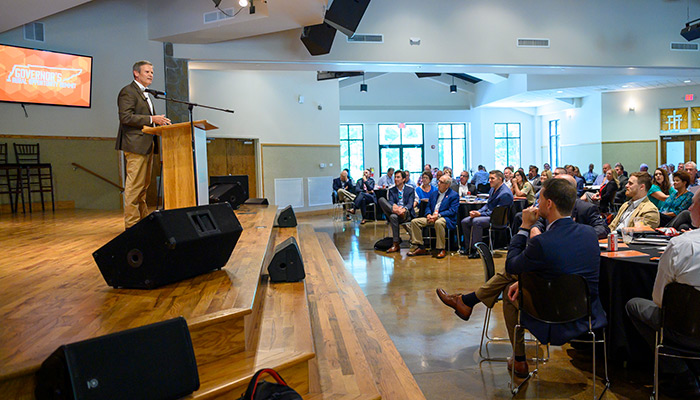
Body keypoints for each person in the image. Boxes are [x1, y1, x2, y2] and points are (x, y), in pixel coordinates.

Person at [437, 178, 606, 378]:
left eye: (539, 199)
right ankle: (467, 302)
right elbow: (563, 268)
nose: (536, 203)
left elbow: (512, 265)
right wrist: (525, 280)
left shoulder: (542, 242)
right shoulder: (589, 234)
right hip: (587, 313)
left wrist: (524, 227)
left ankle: (518, 358)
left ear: (549, 204)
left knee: (510, 293)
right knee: (513, 283)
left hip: (552, 315)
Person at [626, 190, 700, 398]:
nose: (689, 208)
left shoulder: (681, 245)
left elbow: (659, 300)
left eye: (694, 204)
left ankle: (680, 372)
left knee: (634, 305)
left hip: (685, 328)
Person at [116, 60, 171, 229]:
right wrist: (151, 119)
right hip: (135, 145)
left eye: (152, 72)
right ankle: (131, 226)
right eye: (147, 72)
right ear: (136, 73)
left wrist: (157, 124)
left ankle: (143, 223)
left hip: (147, 144)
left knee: (142, 187)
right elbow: (125, 117)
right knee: (134, 186)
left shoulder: (146, 93)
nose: (151, 75)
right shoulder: (128, 91)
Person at [460, 170, 514, 258]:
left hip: (498, 219)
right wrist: (478, 212)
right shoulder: (492, 189)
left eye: (492, 178)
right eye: (489, 178)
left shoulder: (505, 193)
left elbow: (497, 212)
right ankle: (468, 248)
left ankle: (477, 250)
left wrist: (480, 214)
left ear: (500, 179)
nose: (490, 181)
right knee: (465, 221)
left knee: (476, 222)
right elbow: (487, 205)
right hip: (489, 215)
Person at [407, 175, 460, 259]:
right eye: (438, 181)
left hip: (445, 218)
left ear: (447, 185)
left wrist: (438, 215)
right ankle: (420, 246)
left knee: (439, 222)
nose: (438, 183)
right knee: (415, 222)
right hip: (432, 216)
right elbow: (428, 206)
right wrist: (428, 214)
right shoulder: (434, 194)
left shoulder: (453, 195)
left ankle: (441, 249)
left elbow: (452, 211)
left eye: (441, 182)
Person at [378, 170, 416, 253]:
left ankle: (396, 244)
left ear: (403, 179)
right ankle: (395, 244)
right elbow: (391, 201)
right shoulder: (391, 189)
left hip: (406, 213)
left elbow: (410, 204)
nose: (396, 179)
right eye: (395, 177)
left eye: (398, 177)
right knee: (381, 200)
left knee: (393, 216)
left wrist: (403, 209)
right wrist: (395, 208)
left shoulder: (410, 189)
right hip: (395, 211)